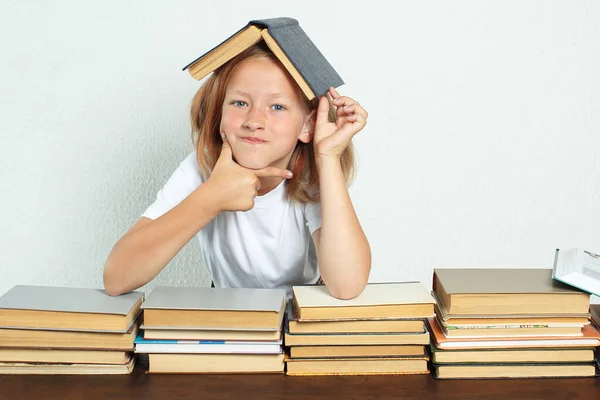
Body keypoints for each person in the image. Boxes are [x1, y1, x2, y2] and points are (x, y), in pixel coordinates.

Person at [103, 42, 371, 299]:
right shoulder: (201, 167)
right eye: (240, 103)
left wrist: (327, 157)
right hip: (230, 318)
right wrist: (211, 197)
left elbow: (347, 285)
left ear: (308, 126)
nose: (254, 121)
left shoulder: (311, 177)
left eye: (277, 107)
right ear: (219, 115)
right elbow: (117, 278)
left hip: (297, 321)